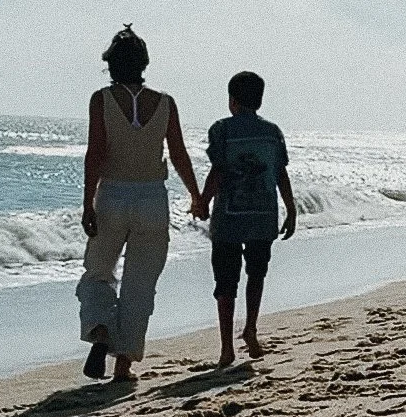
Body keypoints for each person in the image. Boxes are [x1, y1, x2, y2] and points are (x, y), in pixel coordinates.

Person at [77, 25, 204, 382]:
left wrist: (88, 202)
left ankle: (101, 330)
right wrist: (195, 195)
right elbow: (177, 153)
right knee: (140, 283)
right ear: (144, 63)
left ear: (112, 65)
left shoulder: (101, 100)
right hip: (152, 197)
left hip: (113, 194)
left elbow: (96, 154)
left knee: (99, 272)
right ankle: (123, 365)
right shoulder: (164, 103)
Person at [201, 71, 296, 367]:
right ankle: (251, 329)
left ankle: (227, 348)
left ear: (232, 100)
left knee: (225, 282)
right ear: (260, 99)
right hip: (263, 215)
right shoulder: (272, 133)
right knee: (256, 274)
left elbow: (216, 171)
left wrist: (202, 201)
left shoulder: (221, 130)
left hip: (228, 217)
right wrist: (291, 208)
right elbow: (280, 173)